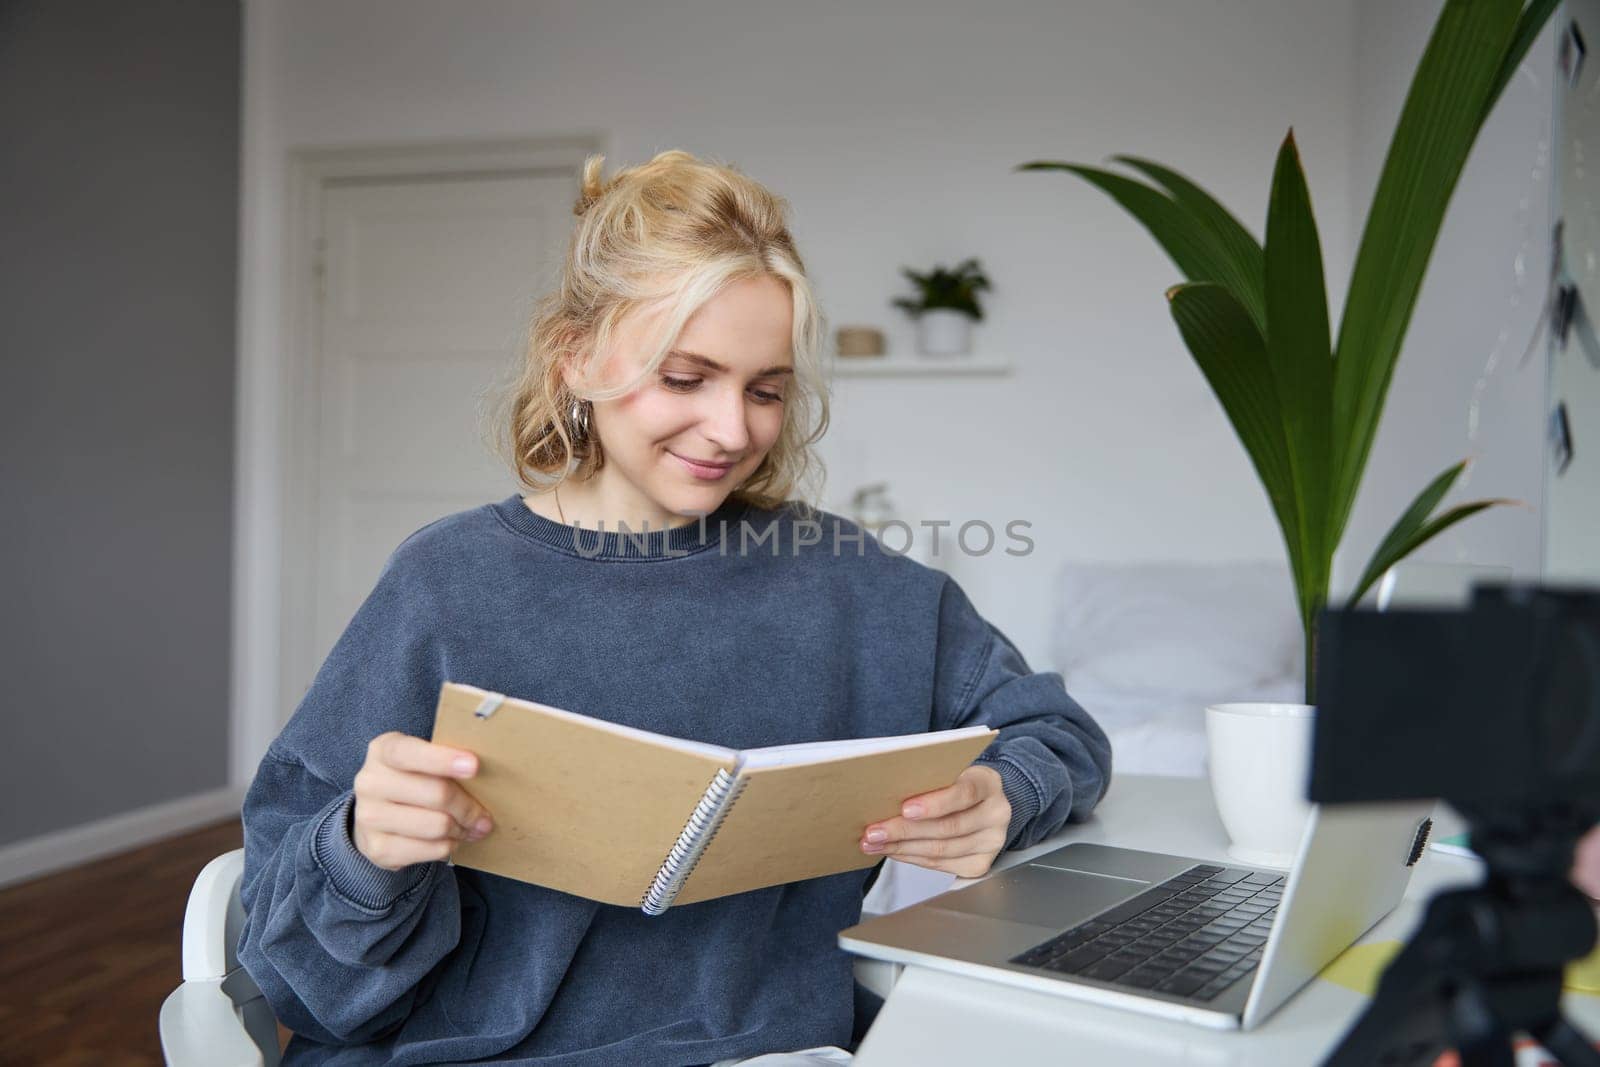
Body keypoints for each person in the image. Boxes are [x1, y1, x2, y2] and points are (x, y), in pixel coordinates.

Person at [238, 149, 1113, 1066]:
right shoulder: (445, 583)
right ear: (575, 358)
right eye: (686, 378)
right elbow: (296, 975)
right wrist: (362, 849)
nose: (734, 429)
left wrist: (1005, 792)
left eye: (766, 390)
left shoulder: (855, 585)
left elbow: (1060, 730)